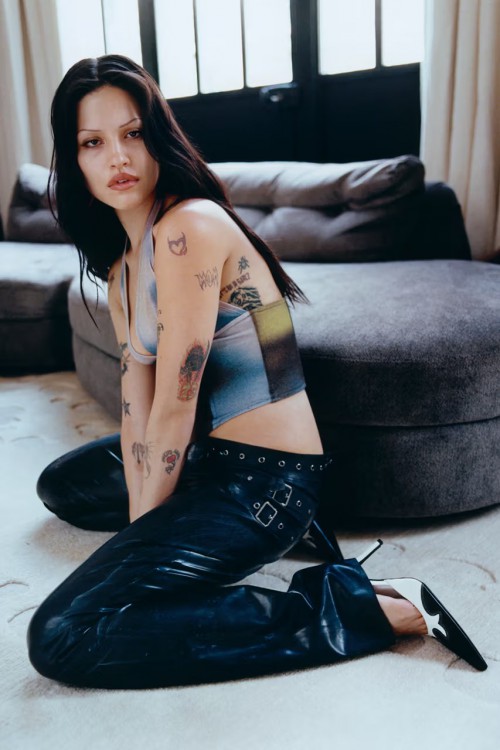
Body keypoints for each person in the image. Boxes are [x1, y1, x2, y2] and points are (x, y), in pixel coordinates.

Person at [28, 55, 487, 689]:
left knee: (62, 634)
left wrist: (143, 548)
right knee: (64, 484)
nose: (118, 158)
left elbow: (175, 405)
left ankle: (368, 608)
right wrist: (144, 534)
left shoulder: (189, 226)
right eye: (92, 142)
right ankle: (221, 535)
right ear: (74, 159)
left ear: (159, 136)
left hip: (267, 482)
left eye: (133, 133)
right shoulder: (122, 268)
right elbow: (139, 407)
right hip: (207, 457)